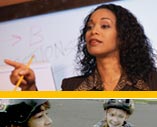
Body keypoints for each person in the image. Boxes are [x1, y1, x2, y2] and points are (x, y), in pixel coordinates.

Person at [4, 4, 157, 91]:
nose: (94, 31)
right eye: (89, 27)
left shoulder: (151, 81)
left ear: (124, 36)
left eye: (104, 26)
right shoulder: (72, 86)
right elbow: (55, 122)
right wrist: (30, 86)